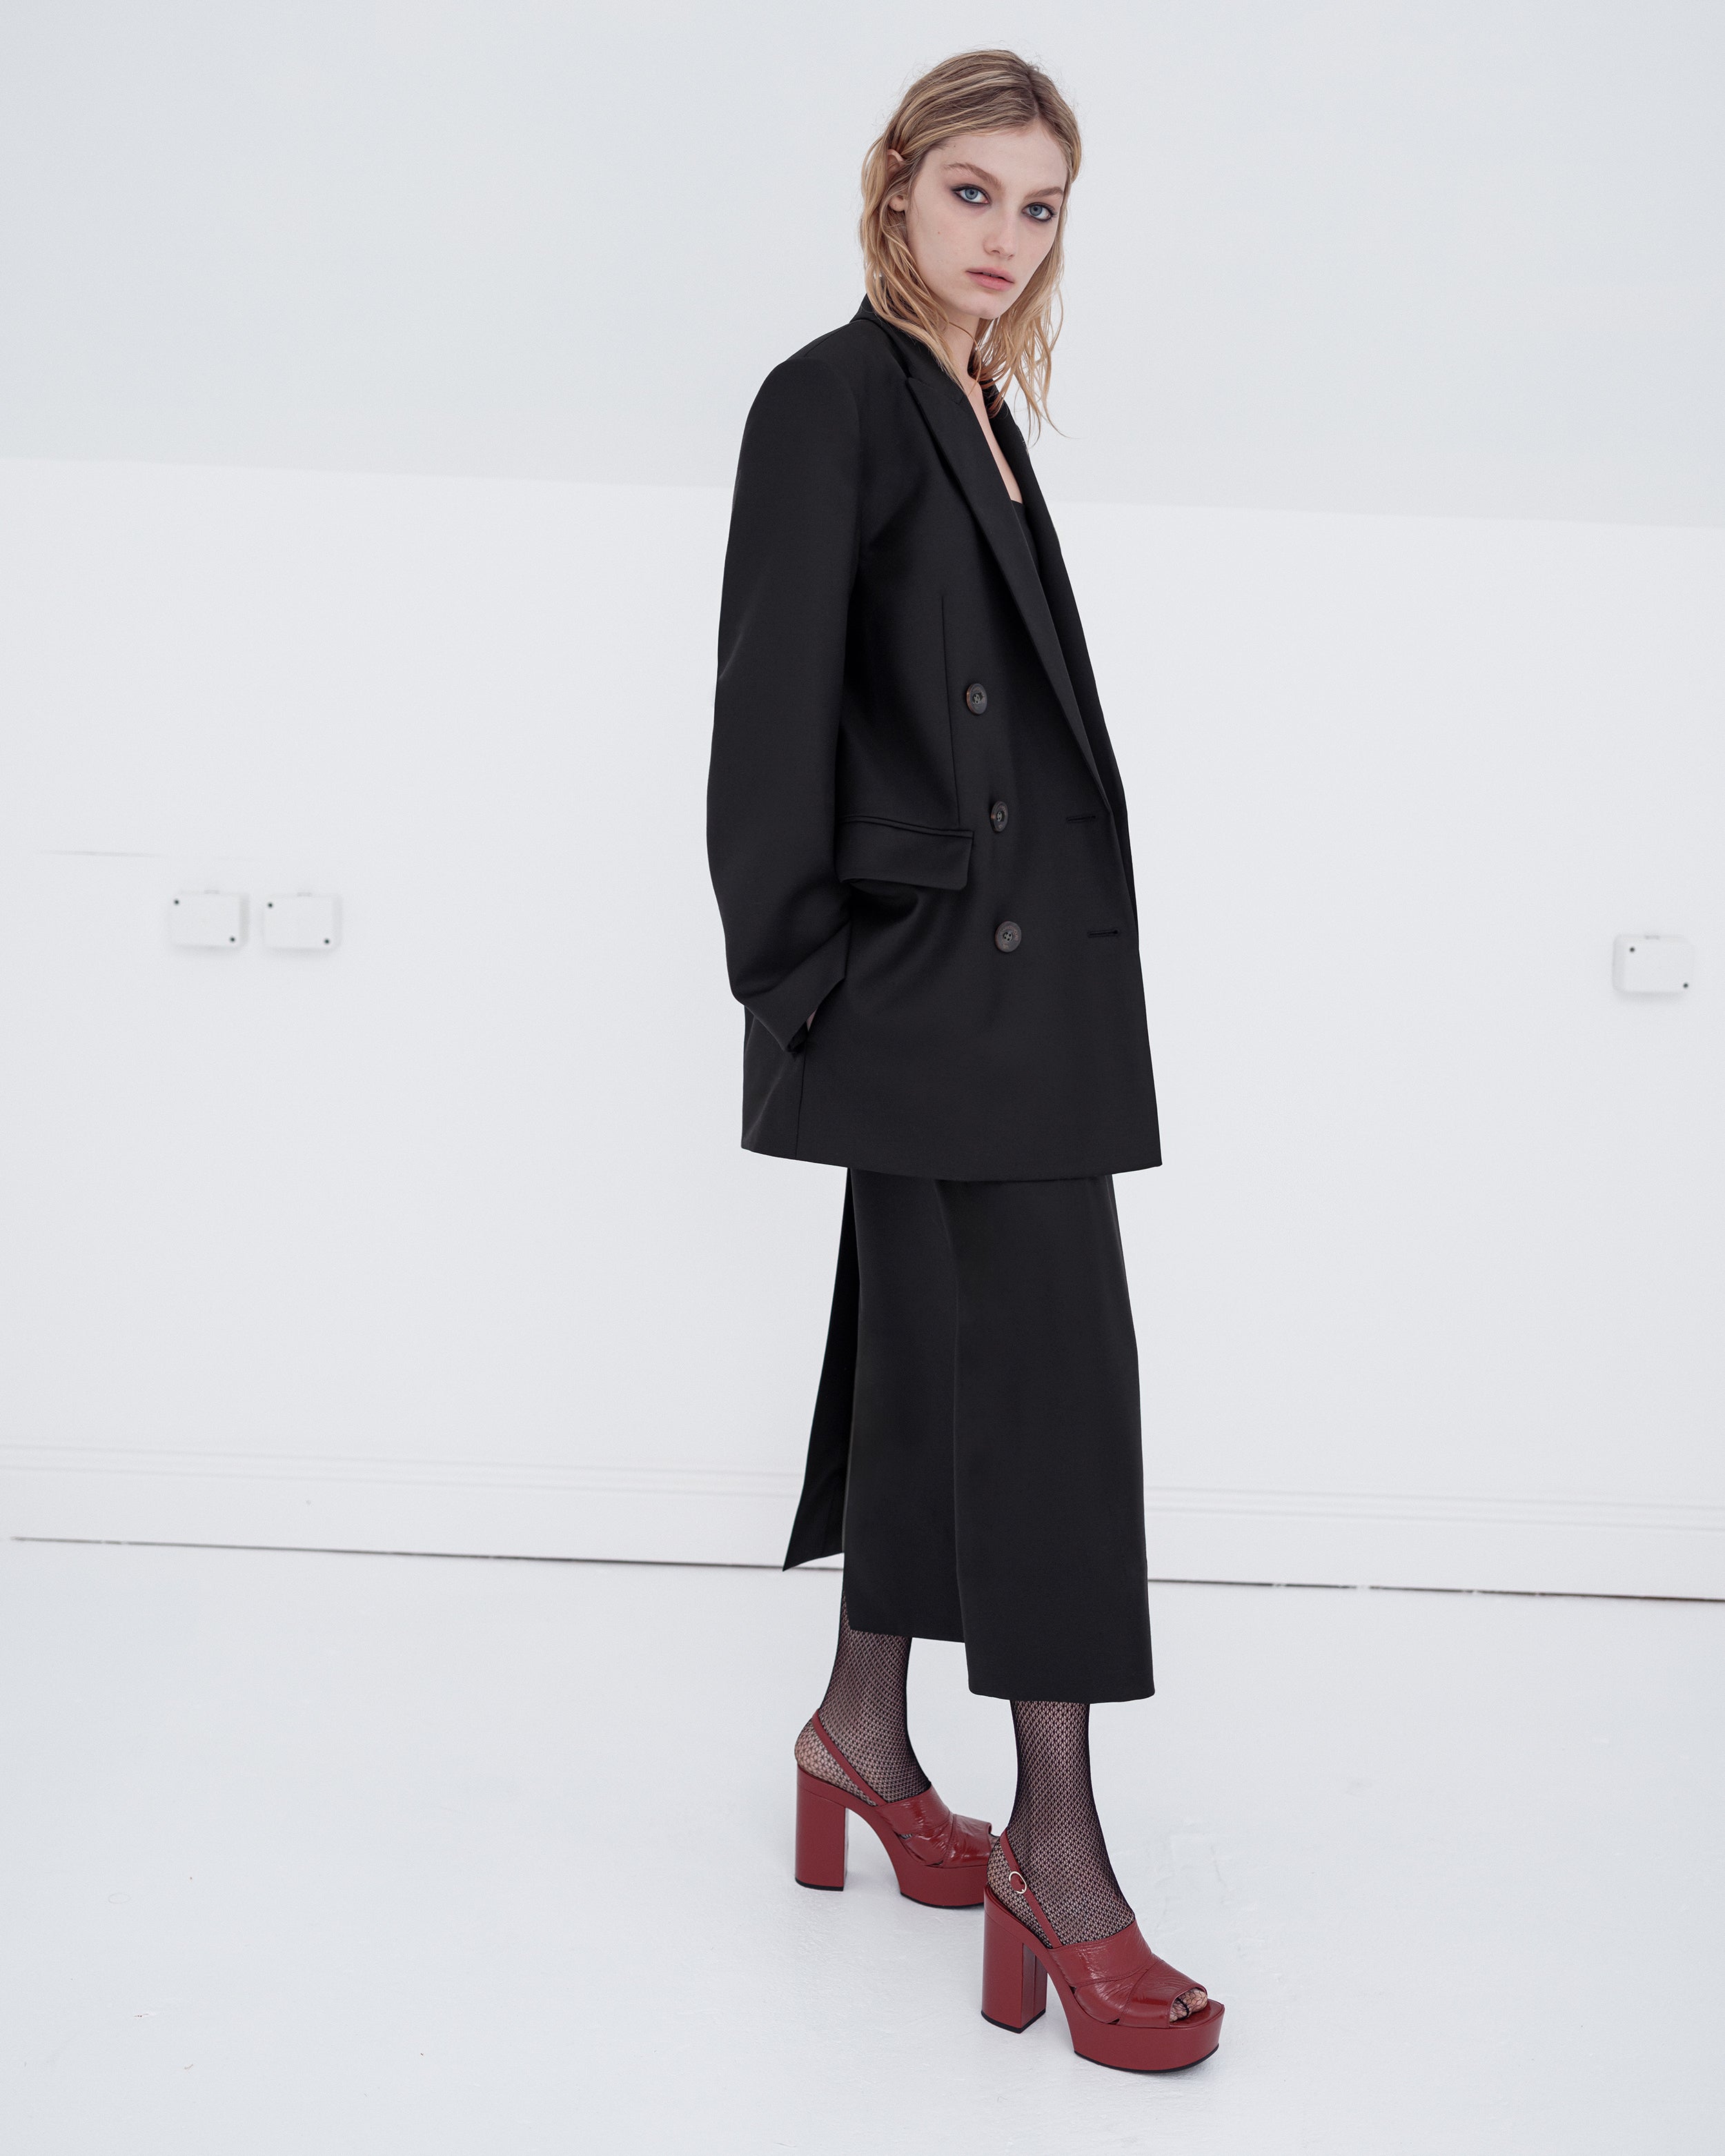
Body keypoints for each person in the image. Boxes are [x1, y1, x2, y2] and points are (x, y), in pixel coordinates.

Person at [706, 50, 1221, 2073]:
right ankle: (1061, 1858)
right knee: (1051, 1393)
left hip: (1021, 1000)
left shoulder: (985, 410)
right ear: (893, 190)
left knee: (939, 1359)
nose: (1005, 240)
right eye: (974, 194)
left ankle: (857, 1727)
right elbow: (765, 729)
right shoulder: (829, 400)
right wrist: (805, 987)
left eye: (1040, 207)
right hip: (919, 995)